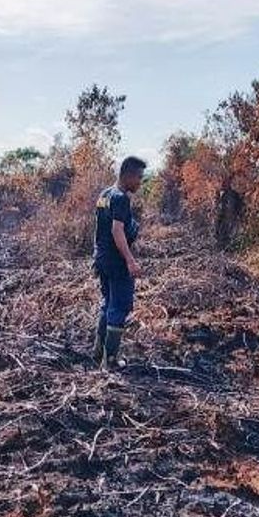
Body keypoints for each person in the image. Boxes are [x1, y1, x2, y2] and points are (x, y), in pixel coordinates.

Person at [92, 156, 146, 369]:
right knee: (119, 305)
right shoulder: (121, 198)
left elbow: (100, 229)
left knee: (107, 303)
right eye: (139, 177)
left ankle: (98, 352)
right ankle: (111, 361)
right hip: (116, 261)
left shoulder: (104, 195)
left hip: (102, 258)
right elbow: (117, 230)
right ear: (129, 175)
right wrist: (130, 261)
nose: (140, 182)